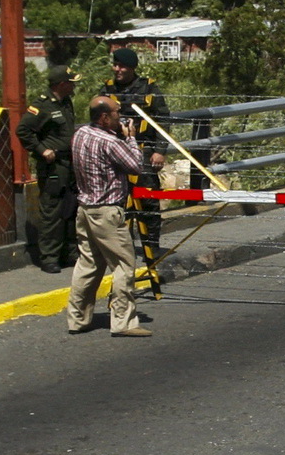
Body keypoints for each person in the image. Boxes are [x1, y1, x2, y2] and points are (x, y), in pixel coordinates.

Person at [66, 97, 150, 337]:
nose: (119, 116)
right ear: (104, 117)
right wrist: (131, 138)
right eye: (116, 113)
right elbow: (135, 165)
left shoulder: (80, 134)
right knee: (124, 264)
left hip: (85, 209)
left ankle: (77, 319)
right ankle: (124, 321)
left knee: (88, 264)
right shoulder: (109, 141)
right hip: (107, 212)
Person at [104, 49, 171, 277]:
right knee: (118, 204)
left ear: (132, 68)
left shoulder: (149, 89)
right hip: (116, 153)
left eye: (122, 66)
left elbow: (163, 120)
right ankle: (122, 250)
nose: (117, 70)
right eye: (115, 65)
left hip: (143, 152)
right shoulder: (107, 89)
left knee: (149, 203)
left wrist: (160, 151)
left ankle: (152, 246)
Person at [18, 67, 79, 274]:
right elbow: (23, 130)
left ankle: (70, 253)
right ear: (61, 84)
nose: (74, 85)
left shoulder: (65, 102)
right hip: (53, 166)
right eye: (71, 82)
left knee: (70, 208)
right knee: (52, 210)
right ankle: (49, 257)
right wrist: (42, 150)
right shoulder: (42, 106)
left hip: (68, 163)